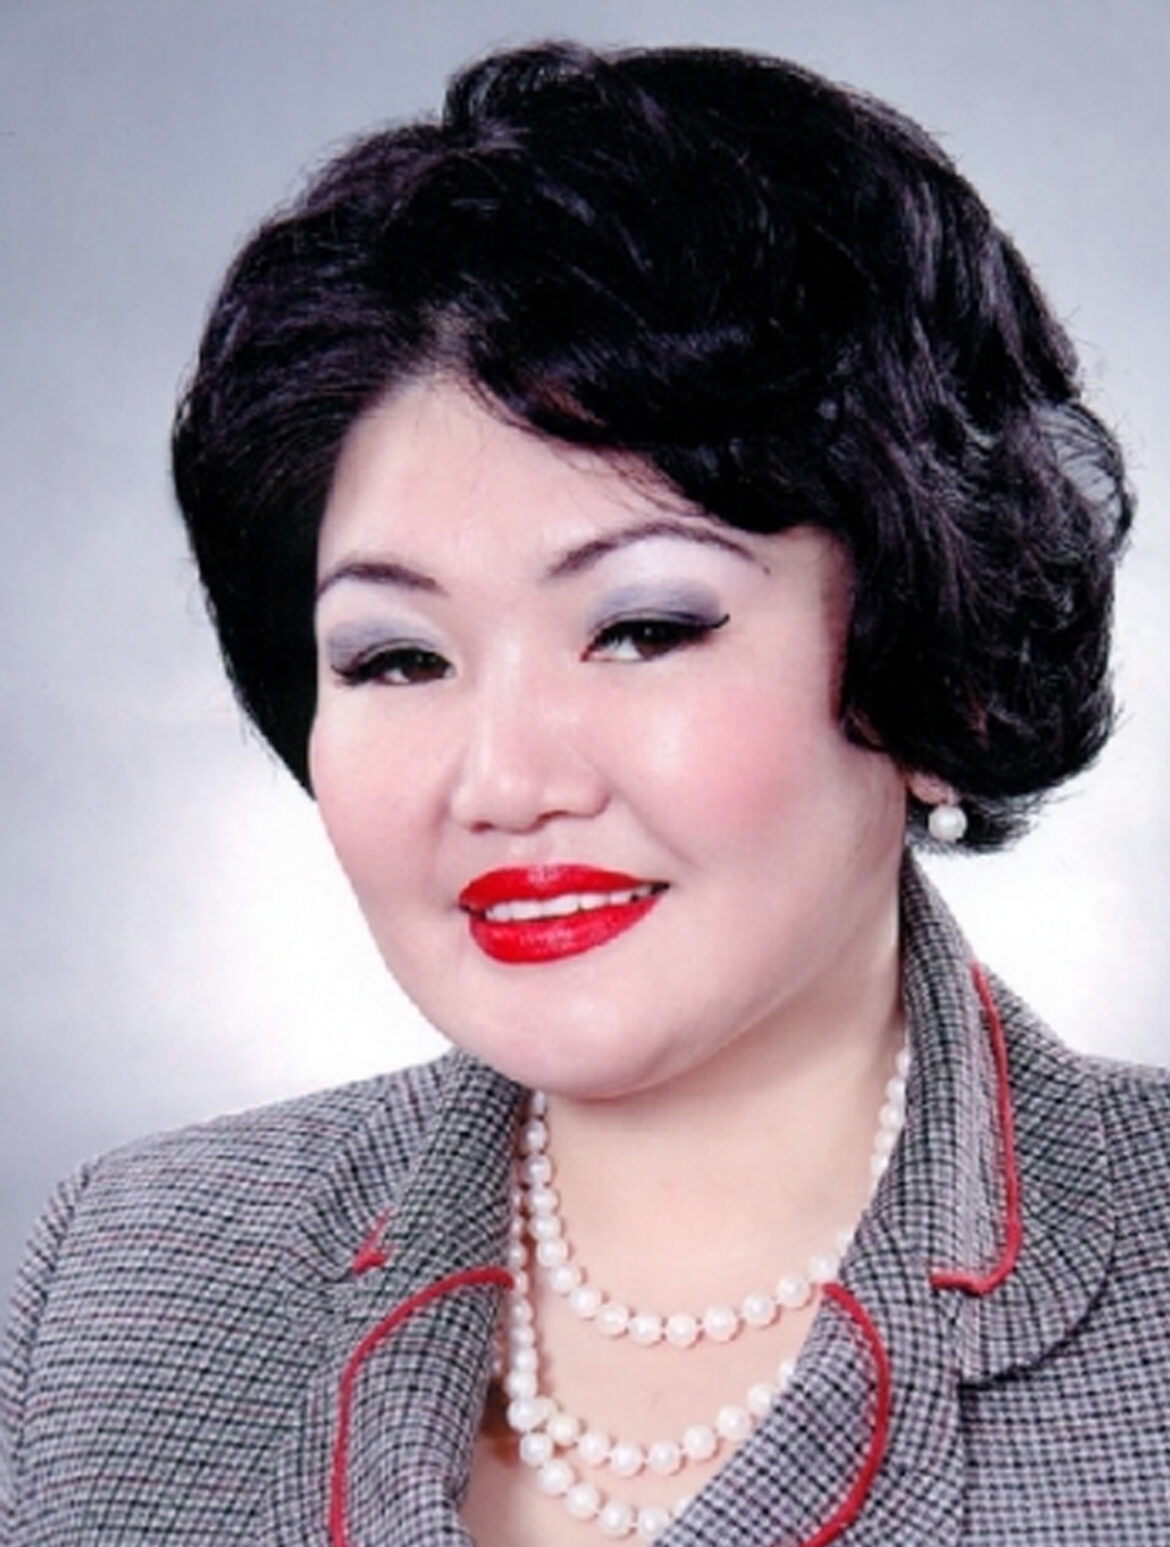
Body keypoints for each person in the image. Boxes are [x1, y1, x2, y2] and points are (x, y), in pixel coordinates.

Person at [3, 38, 1168, 1547]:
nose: (503, 782)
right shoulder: (127, 1286)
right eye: (399, 657)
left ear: (935, 662)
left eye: (643, 628)